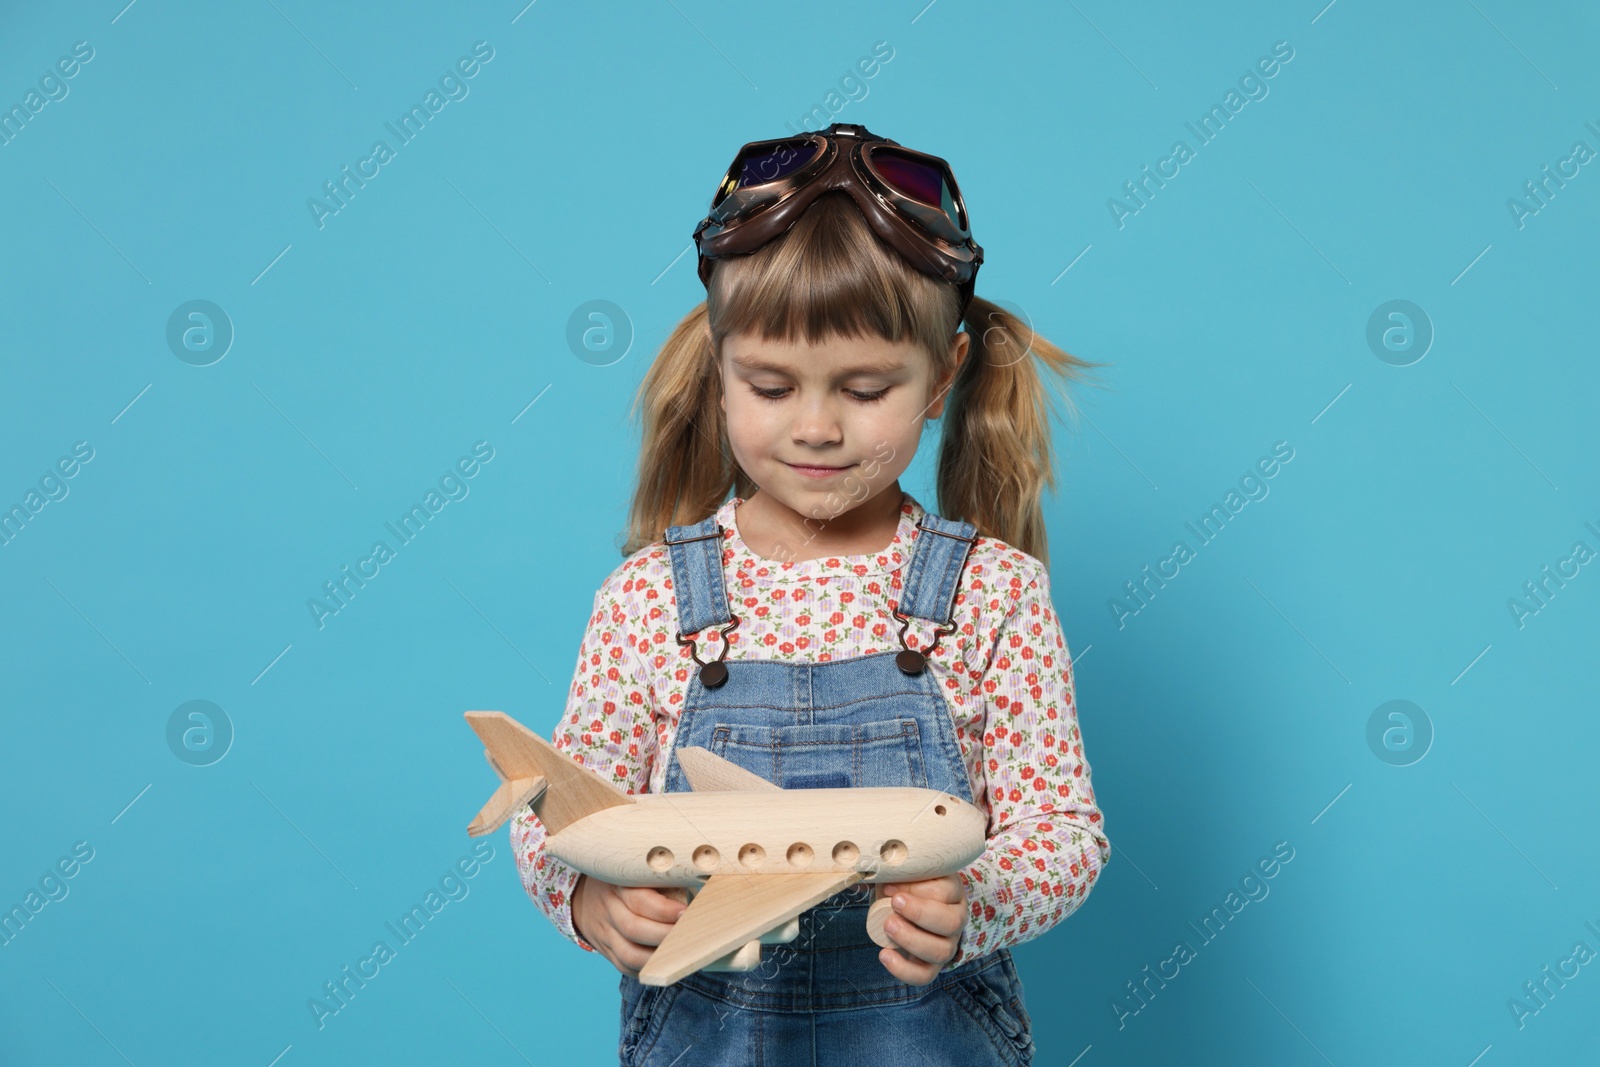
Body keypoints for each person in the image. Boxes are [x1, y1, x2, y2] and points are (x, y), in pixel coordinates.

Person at [510, 122, 1111, 1066]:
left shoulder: (996, 594)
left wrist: (974, 904)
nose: (819, 426)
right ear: (719, 372)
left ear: (941, 378)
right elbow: (565, 812)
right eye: (772, 384)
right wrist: (588, 901)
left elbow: (1062, 831)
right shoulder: (646, 601)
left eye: (866, 387)